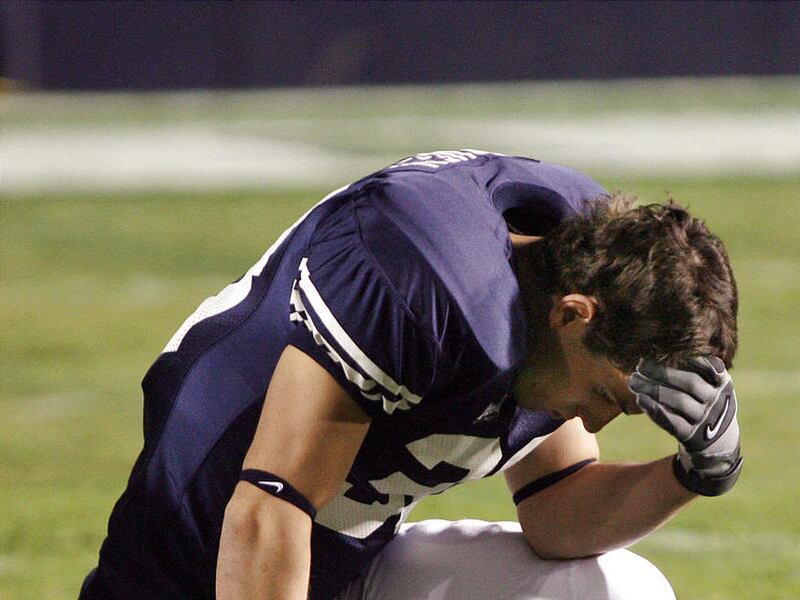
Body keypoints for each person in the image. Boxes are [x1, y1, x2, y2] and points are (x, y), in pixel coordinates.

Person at [79, 150, 742, 600]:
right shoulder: (422, 281)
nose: (596, 420)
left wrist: (693, 474)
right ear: (573, 314)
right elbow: (266, 510)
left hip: (344, 569)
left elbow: (558, 513)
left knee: (624, 592)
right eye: (604, 395)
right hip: (197, 559)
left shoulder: (561, 283)